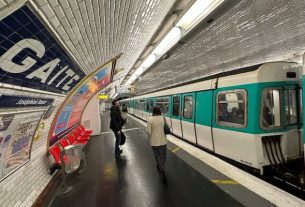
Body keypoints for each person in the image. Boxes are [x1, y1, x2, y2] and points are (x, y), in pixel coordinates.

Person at [146, 106, 168, 182]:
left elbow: (148, 131)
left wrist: (151, 135)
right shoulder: (163, 118)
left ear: (153, 112)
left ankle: (159, 166)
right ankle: (162, 167)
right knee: (163, 156)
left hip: (154, 142)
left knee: (157, 155)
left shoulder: (150, 119)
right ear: (159, 111)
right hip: (163, 141)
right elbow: (169, 127)